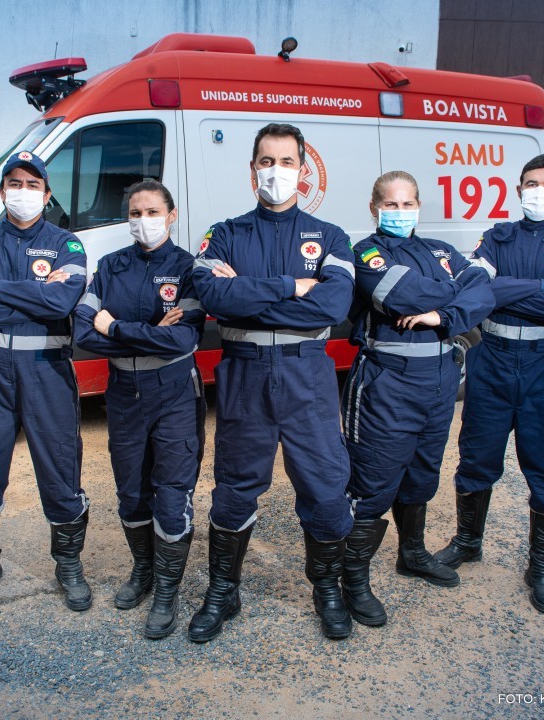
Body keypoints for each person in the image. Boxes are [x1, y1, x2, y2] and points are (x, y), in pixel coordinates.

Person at [189, 123, 356, 641]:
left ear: (303, 171)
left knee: (327, 487)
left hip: (308, 374)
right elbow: (216, 299)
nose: (276, 171)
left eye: (286, 162)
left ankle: (326, 587)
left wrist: (250, 290)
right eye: (267, 161)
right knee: (235, 488)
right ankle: (223, 588)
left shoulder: (332, 236)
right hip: (245, 375)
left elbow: (333, 304)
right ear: (252, 169)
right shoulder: (225, 233)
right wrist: (291, 286)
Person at [436, 154, 544, 615]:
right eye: (531, 183)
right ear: (518, 187)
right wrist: (539, 287)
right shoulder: (498, 235)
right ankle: (468, 542)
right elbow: (473, 286)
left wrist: (508, 287)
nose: (539, 191)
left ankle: (541, 568)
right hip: (493, 362)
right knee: (476, 458)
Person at [340, 171, 494, 626]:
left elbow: (485, 291)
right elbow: (397, 294)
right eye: (392, 204)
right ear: (374, 207)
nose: (400, 212)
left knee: (423, 470)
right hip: (390, 379)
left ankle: (412, 553)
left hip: (442, 376)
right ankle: (354, 580)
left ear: (420, 206)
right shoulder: (366, 252)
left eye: (408, 204)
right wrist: (452, 300)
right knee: (374, 477)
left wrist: (440, 315)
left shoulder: (441, 251)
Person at [0, 150, 92, 611]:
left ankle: (68, 564)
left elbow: (61, 304)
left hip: (46, 371)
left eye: (32, 184)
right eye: (14, 182)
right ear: (1, 190)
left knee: (59, 466)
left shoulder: (68, 245)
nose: (22, 192)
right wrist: (33, 300)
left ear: (46, 195)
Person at [74, 179, 206, 639]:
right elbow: (82, 332)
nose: (143, 221)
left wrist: (114, 326)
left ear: (172, 216)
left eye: (152, 212)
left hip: (173, 392)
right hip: (124, 392)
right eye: (135, 213)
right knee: (131, 491)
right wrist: (144, 328)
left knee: (171, 493)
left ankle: (167, 591)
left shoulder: (189, 269)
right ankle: (144, 571)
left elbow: (184, 338)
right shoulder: (110, 266)